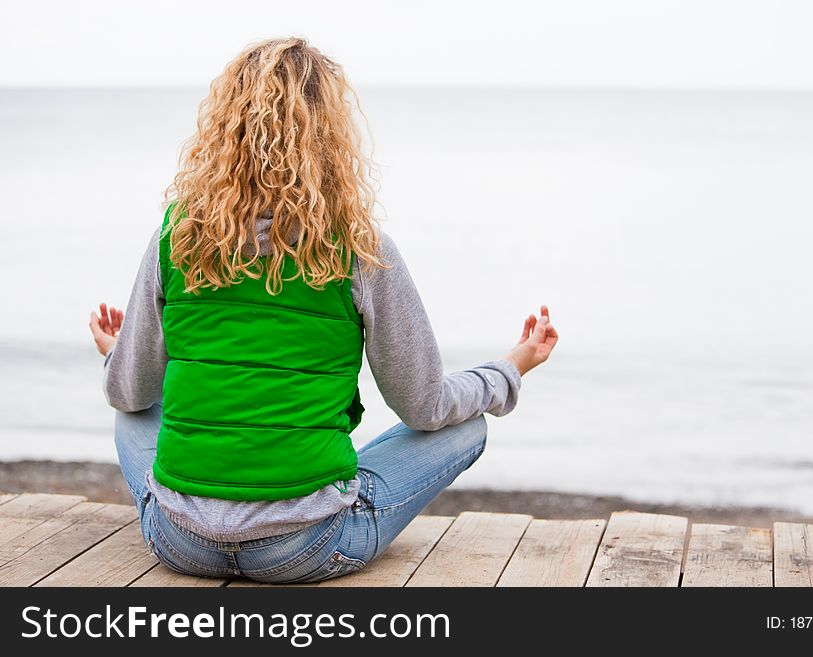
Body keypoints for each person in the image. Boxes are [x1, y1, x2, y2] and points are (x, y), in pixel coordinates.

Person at [88, 37, 558, 584]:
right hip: (308, 546)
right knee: (467, 427)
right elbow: (425, 408)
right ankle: (309, 488)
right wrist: (512, 367)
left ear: (223, 132)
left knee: (132, 413)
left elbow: (129, 393)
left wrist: (118, 354)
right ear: (331, 138)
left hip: (181, 542)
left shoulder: (178, 238)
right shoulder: (361, 248)